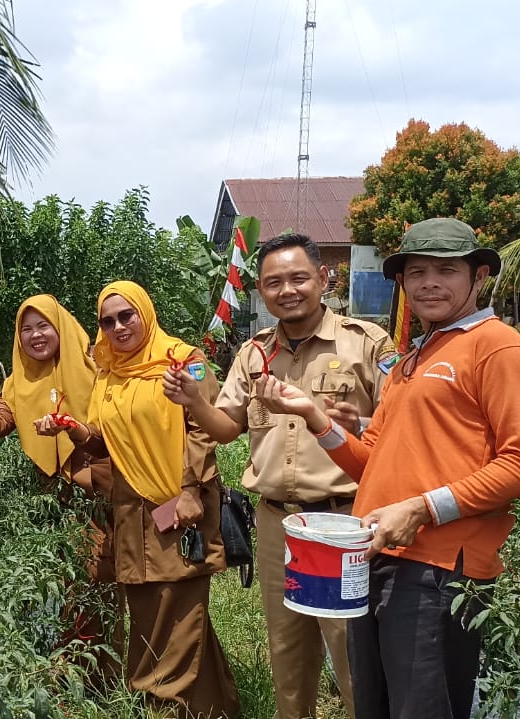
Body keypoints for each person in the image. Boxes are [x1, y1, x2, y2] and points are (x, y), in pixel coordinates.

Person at [257, 218, 520, 719]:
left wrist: (421, 509)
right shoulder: (417, 356)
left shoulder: (497, 347)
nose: (429, 282)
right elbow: (370, 459)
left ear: (478, 277)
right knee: (377, 704)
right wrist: (313, 416)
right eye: (416, 272)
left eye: (445, 270)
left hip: (439, 568)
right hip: (379, 554)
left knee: (423, 707)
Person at [165, 233, 395, 719]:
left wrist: (362, 424)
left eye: (298, 278)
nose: (287, 290)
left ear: (323, 279)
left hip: (343, 522)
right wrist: (194, 401)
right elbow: (226, 428)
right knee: (287, 653)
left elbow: (402, 429)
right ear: (261, 291)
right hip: (277, 525)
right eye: (273, 283)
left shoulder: (365, 344)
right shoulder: (253, 353)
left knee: (353, 654)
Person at [71, 280, 240, 716]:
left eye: (126, 315)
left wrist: (189, 490)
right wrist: (73, 431)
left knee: (178, 610)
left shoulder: (183, 360)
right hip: (130, 508)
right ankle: (213, 707)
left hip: (179, 505)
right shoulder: (109, 373)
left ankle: (161, 705)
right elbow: (105, 440)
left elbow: (205, 427)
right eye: (107, 321)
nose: (118, 327)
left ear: (145, 312)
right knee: (153, 611)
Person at [0, 294, 119, 681]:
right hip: (52, 504)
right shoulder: (17, 383)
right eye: (27, 328)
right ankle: (74, 676)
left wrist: (74, 429)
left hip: (101, 495)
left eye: (44, 325)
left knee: (98, 584)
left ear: (62, 327)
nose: (35, 335)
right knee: (65, 586)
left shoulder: (98, 370)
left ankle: (103, 676)